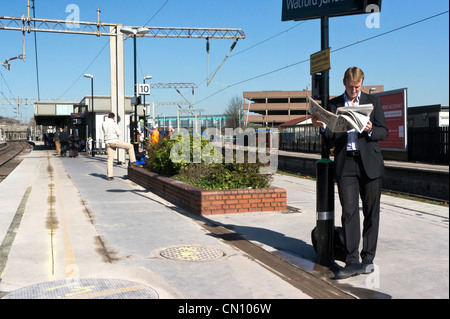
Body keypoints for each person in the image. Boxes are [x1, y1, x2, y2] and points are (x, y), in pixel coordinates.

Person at [311, 67, 388, 279]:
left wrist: (370, 129)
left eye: (357, 86)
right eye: (350, 86)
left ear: (362, 82)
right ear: (344, 83)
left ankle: (368, 259)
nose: (354, 90)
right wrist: (321, 127)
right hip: (346, 165)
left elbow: (384, 132)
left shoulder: (374, 103)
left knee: (371, 212)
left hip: (370, 164)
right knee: (349, 212)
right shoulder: (334, 104)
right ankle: (352, 260)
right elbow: (329, 138)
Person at [102, 112, 138, 181]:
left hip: (107, 142)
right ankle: (133, 162)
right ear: (113, 117)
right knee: (130, 146)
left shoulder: (104, 123)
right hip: (114, 141)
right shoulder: (113, 123)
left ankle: (110, 176)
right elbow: (119, 133)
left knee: (110, 159)